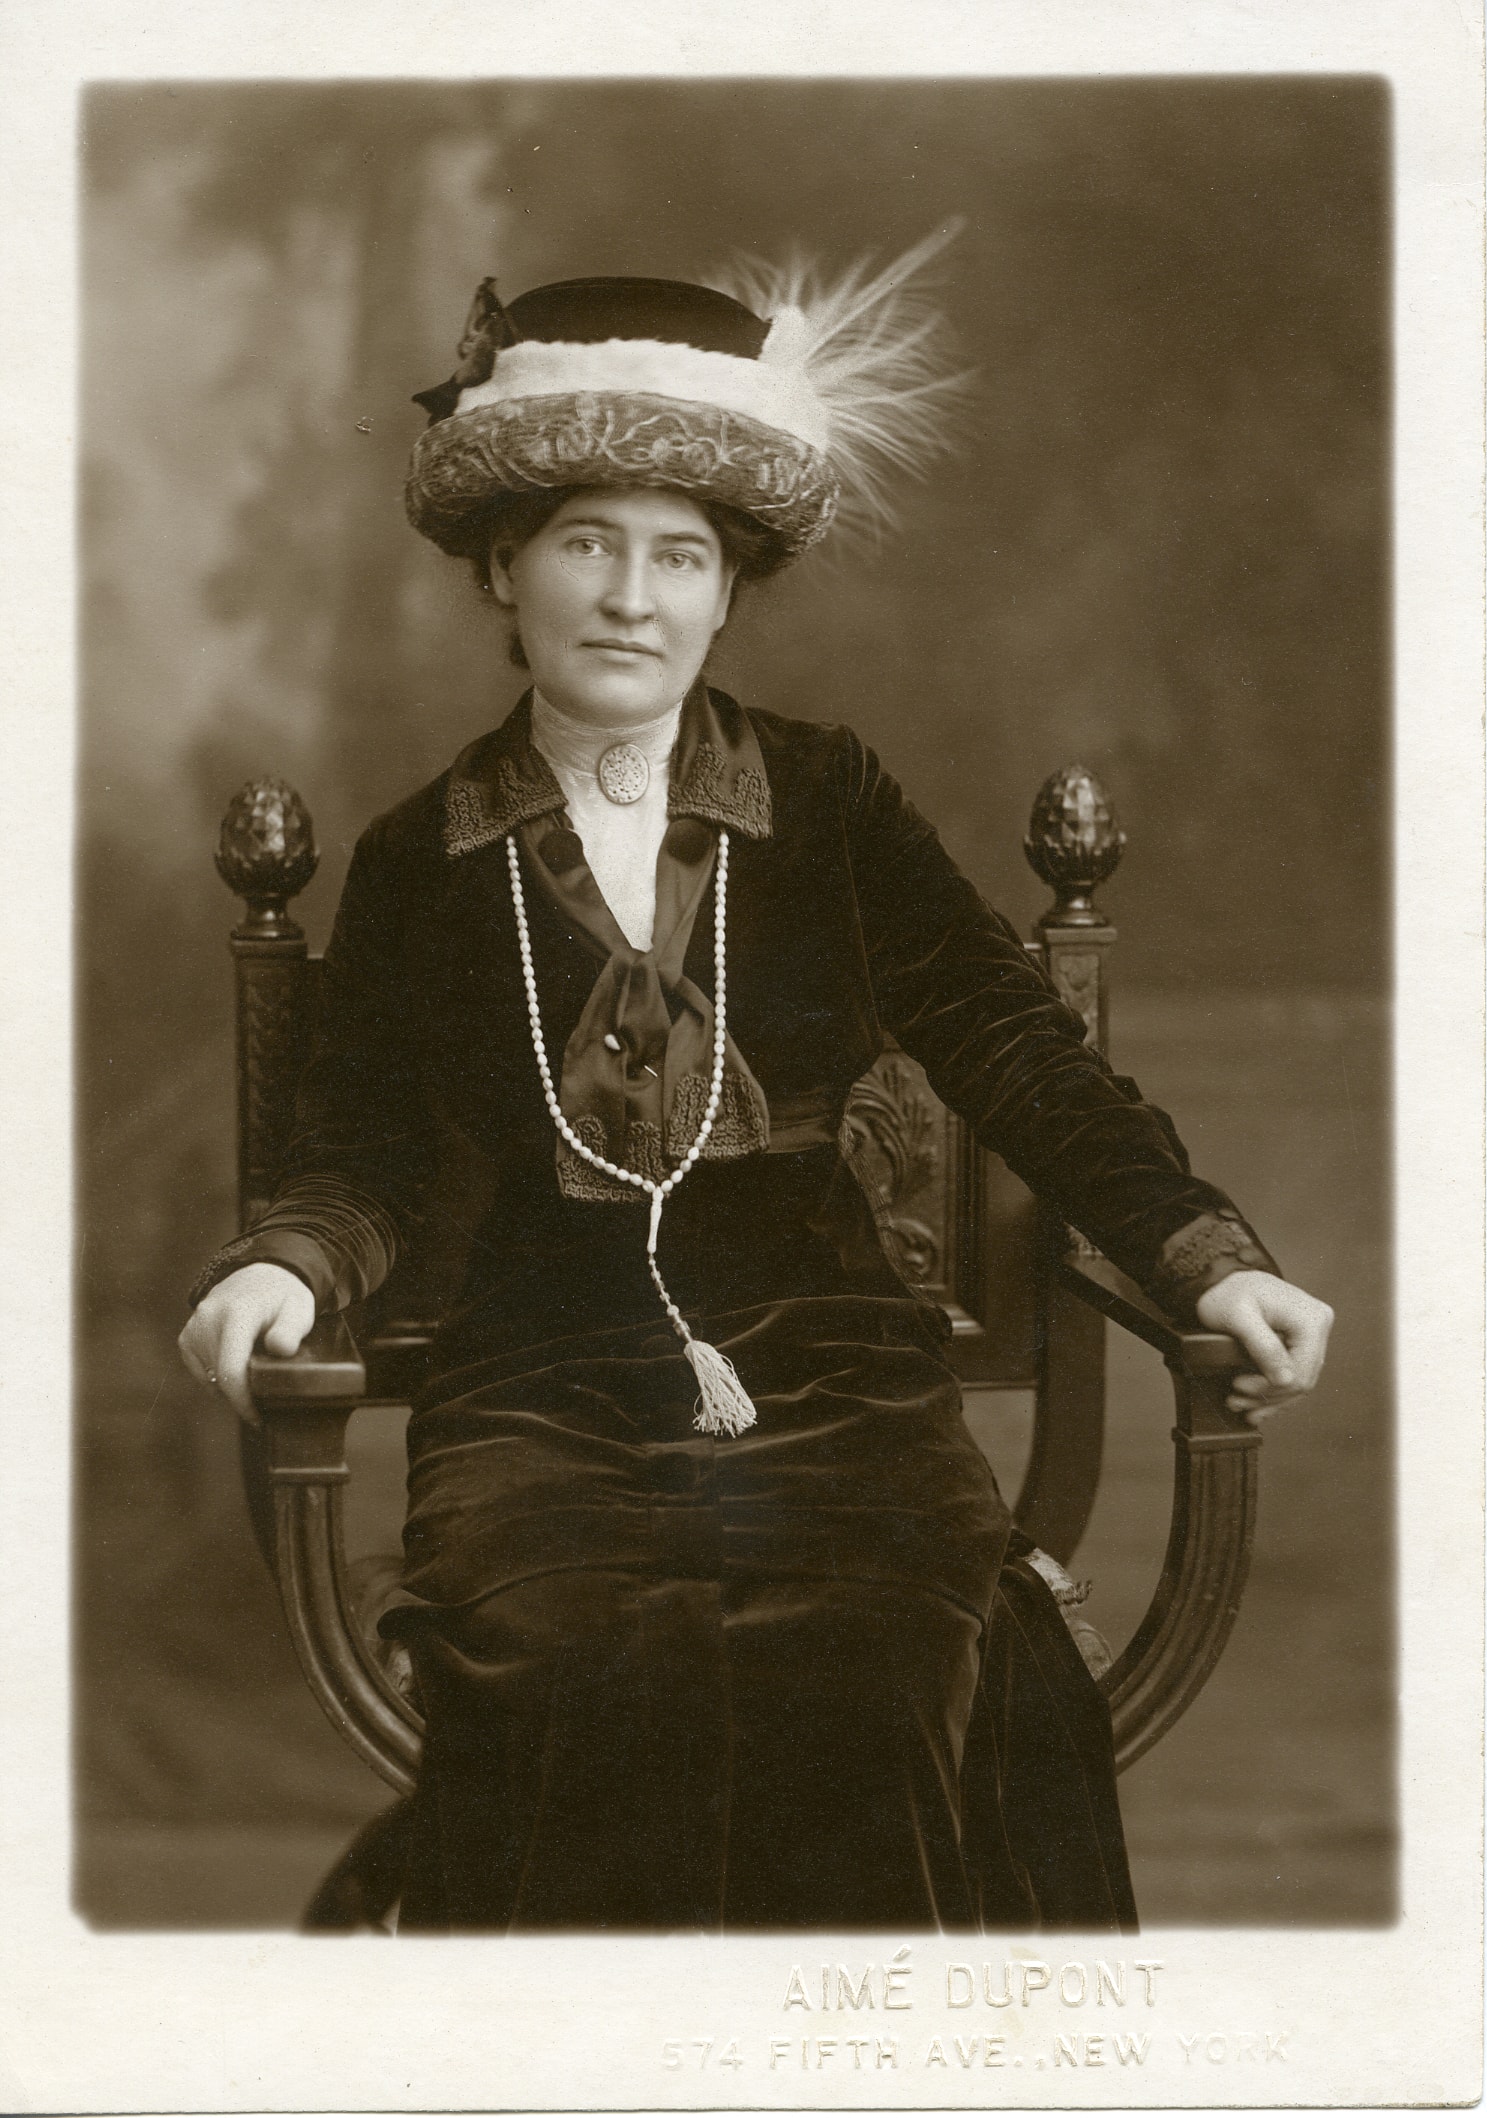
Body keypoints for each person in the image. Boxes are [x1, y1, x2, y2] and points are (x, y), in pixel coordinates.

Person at [179, 239, 1333, 1931]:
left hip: (832, 1354)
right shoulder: (423, 856)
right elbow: (367, 1139)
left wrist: (1203, 1253)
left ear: (728, 592)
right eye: (586, 542)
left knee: (889, 1658)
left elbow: (1015, 1045)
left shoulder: (830, 799)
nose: (630, 597)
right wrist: (290, 1259)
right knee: (561, 1655)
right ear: (504, 565)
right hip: (542, 1373)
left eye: (681, 556)